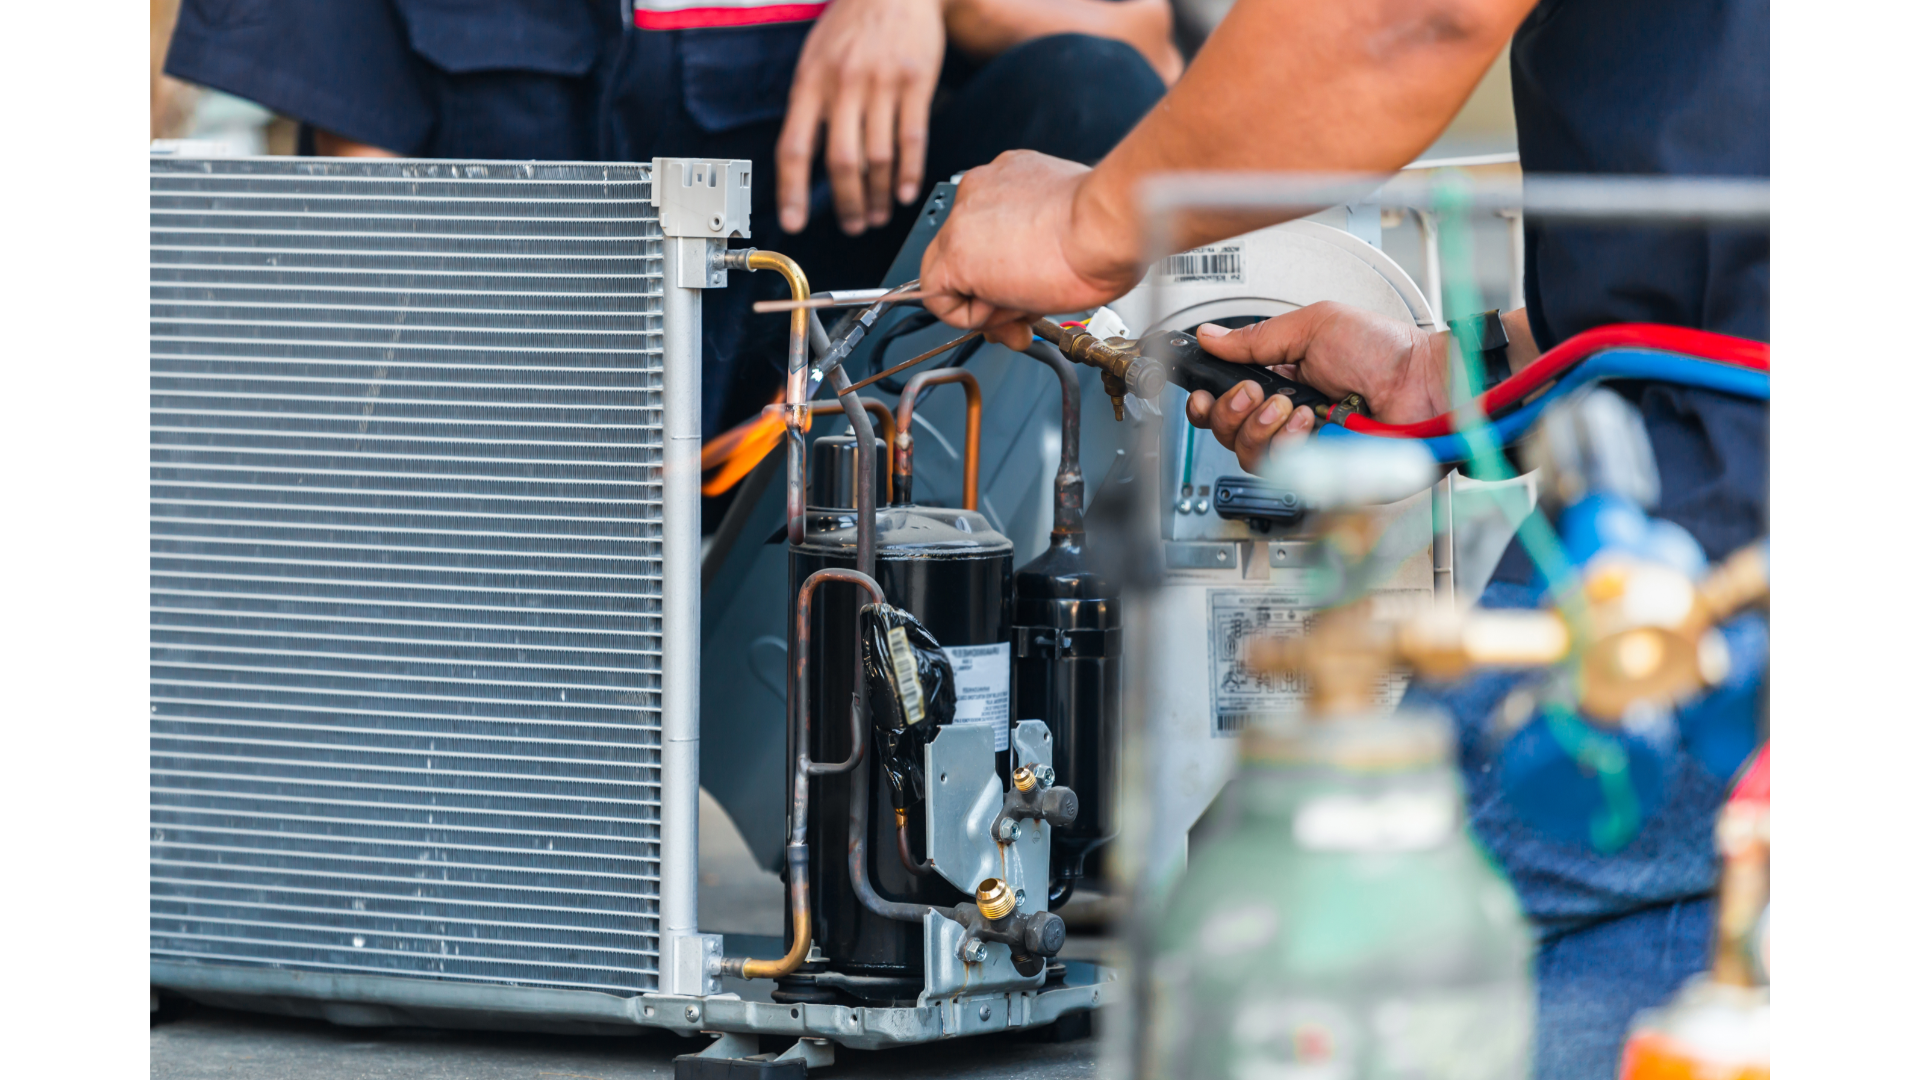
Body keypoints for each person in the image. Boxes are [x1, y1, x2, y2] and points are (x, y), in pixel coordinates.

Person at [918, 1, 1767, 1076]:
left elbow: (1412, 14)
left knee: (1302, 941)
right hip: (1733, 469)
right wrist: (1455, 368)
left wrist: (1082, 226)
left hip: (1732, 523)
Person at [162, 0, 1181, 440]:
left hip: (856, 391)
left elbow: (1136, 48)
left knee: (1085, 93)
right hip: (523, 421)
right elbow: (366, 230)